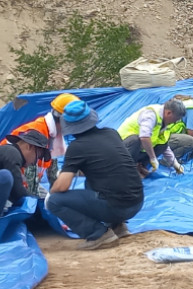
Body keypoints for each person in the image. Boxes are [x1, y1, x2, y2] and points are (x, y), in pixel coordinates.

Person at [47, 101, 144, 250]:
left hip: (117, 208)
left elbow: (63, 185)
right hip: (137, 202)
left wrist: (50, 193)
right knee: (95, 180)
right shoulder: (111, 133)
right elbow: (103, 166)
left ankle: (98, 234)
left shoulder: (77, 147)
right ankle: (119, 227)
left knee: (54, 201)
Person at [0, 93, 80, 194]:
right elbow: (30, 185)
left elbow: (52, 173)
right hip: (5, 182)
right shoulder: (36, 134)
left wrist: (58, 192)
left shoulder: (53, 135)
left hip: (21, 181)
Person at [117, 99, 186, 177]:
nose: (174, 123)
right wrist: (153, 158)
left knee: (162, 145)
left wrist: (175, 163)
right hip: (122, 147)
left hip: (139, 149)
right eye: (174, 120)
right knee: (136, 140)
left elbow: (163, 144)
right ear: (168, 113)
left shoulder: (165, 122)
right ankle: (125, 171)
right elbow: (144, 137)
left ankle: (139, 166)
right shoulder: (151, 115)